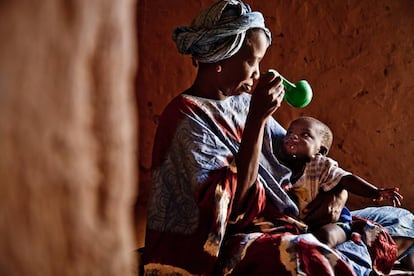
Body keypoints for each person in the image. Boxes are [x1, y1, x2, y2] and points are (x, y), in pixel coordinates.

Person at [142, 1, 398, 275]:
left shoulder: (240, 101)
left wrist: (338, 192)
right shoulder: (184, 118)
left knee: (397, 219)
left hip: (291, 220)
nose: (257, 72)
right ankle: (344, 255)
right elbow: (233, 210)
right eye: (252, 61)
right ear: (219, 60)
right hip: (231, 240)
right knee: (298, 255)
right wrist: (256, 121)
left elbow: (299, 163)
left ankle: (341, 252)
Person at [274, 116, 403, 248]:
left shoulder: (320, 165)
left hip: (333, 223)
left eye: (304, 135)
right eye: (290, 132)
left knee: (326, 235)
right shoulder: (279, 164)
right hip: (298, 223)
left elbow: (346, 179)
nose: (293, 137)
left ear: (320, 150)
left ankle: (320, 255)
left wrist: (375, 192)